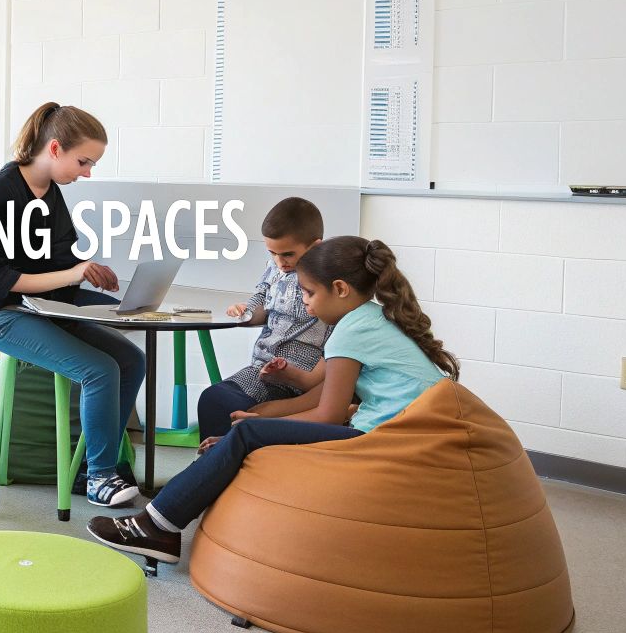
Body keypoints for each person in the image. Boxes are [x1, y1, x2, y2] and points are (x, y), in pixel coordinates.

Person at [88, 237, 458, 564]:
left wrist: (255, 428)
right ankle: (162, 520)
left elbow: (329, 415)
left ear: (341, 288)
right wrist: (257, 421)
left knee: (247, 435)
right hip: (408, 436)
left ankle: (156, 526)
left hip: (390, 443)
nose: (306, 304)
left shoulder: (350, 330)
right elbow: (323, 397)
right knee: (244, 433)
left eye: (309, 293)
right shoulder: (371, 319)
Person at [0, 102, 146, 508]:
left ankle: (96, 467)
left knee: (132, 361)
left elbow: (60, 261)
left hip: (43, 306)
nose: (88, 172)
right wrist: (75, 274)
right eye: (84, 161)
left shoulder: (52, 195)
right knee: (99, 370)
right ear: (55, 148)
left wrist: (94, 281)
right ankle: (100, 478)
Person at [200, 197, 329, 438]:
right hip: (262, 366)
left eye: (288, 255)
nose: (281, 262)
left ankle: (222, 464)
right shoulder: (275, 268)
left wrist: (299, 377)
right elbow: (262, 300)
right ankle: (212, 463)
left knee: (222, 403)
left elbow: (333, 344)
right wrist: (246, 312)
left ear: (315, 247)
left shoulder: (326, 279)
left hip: (300, 373)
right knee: (215, 400)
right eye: (273, 254)